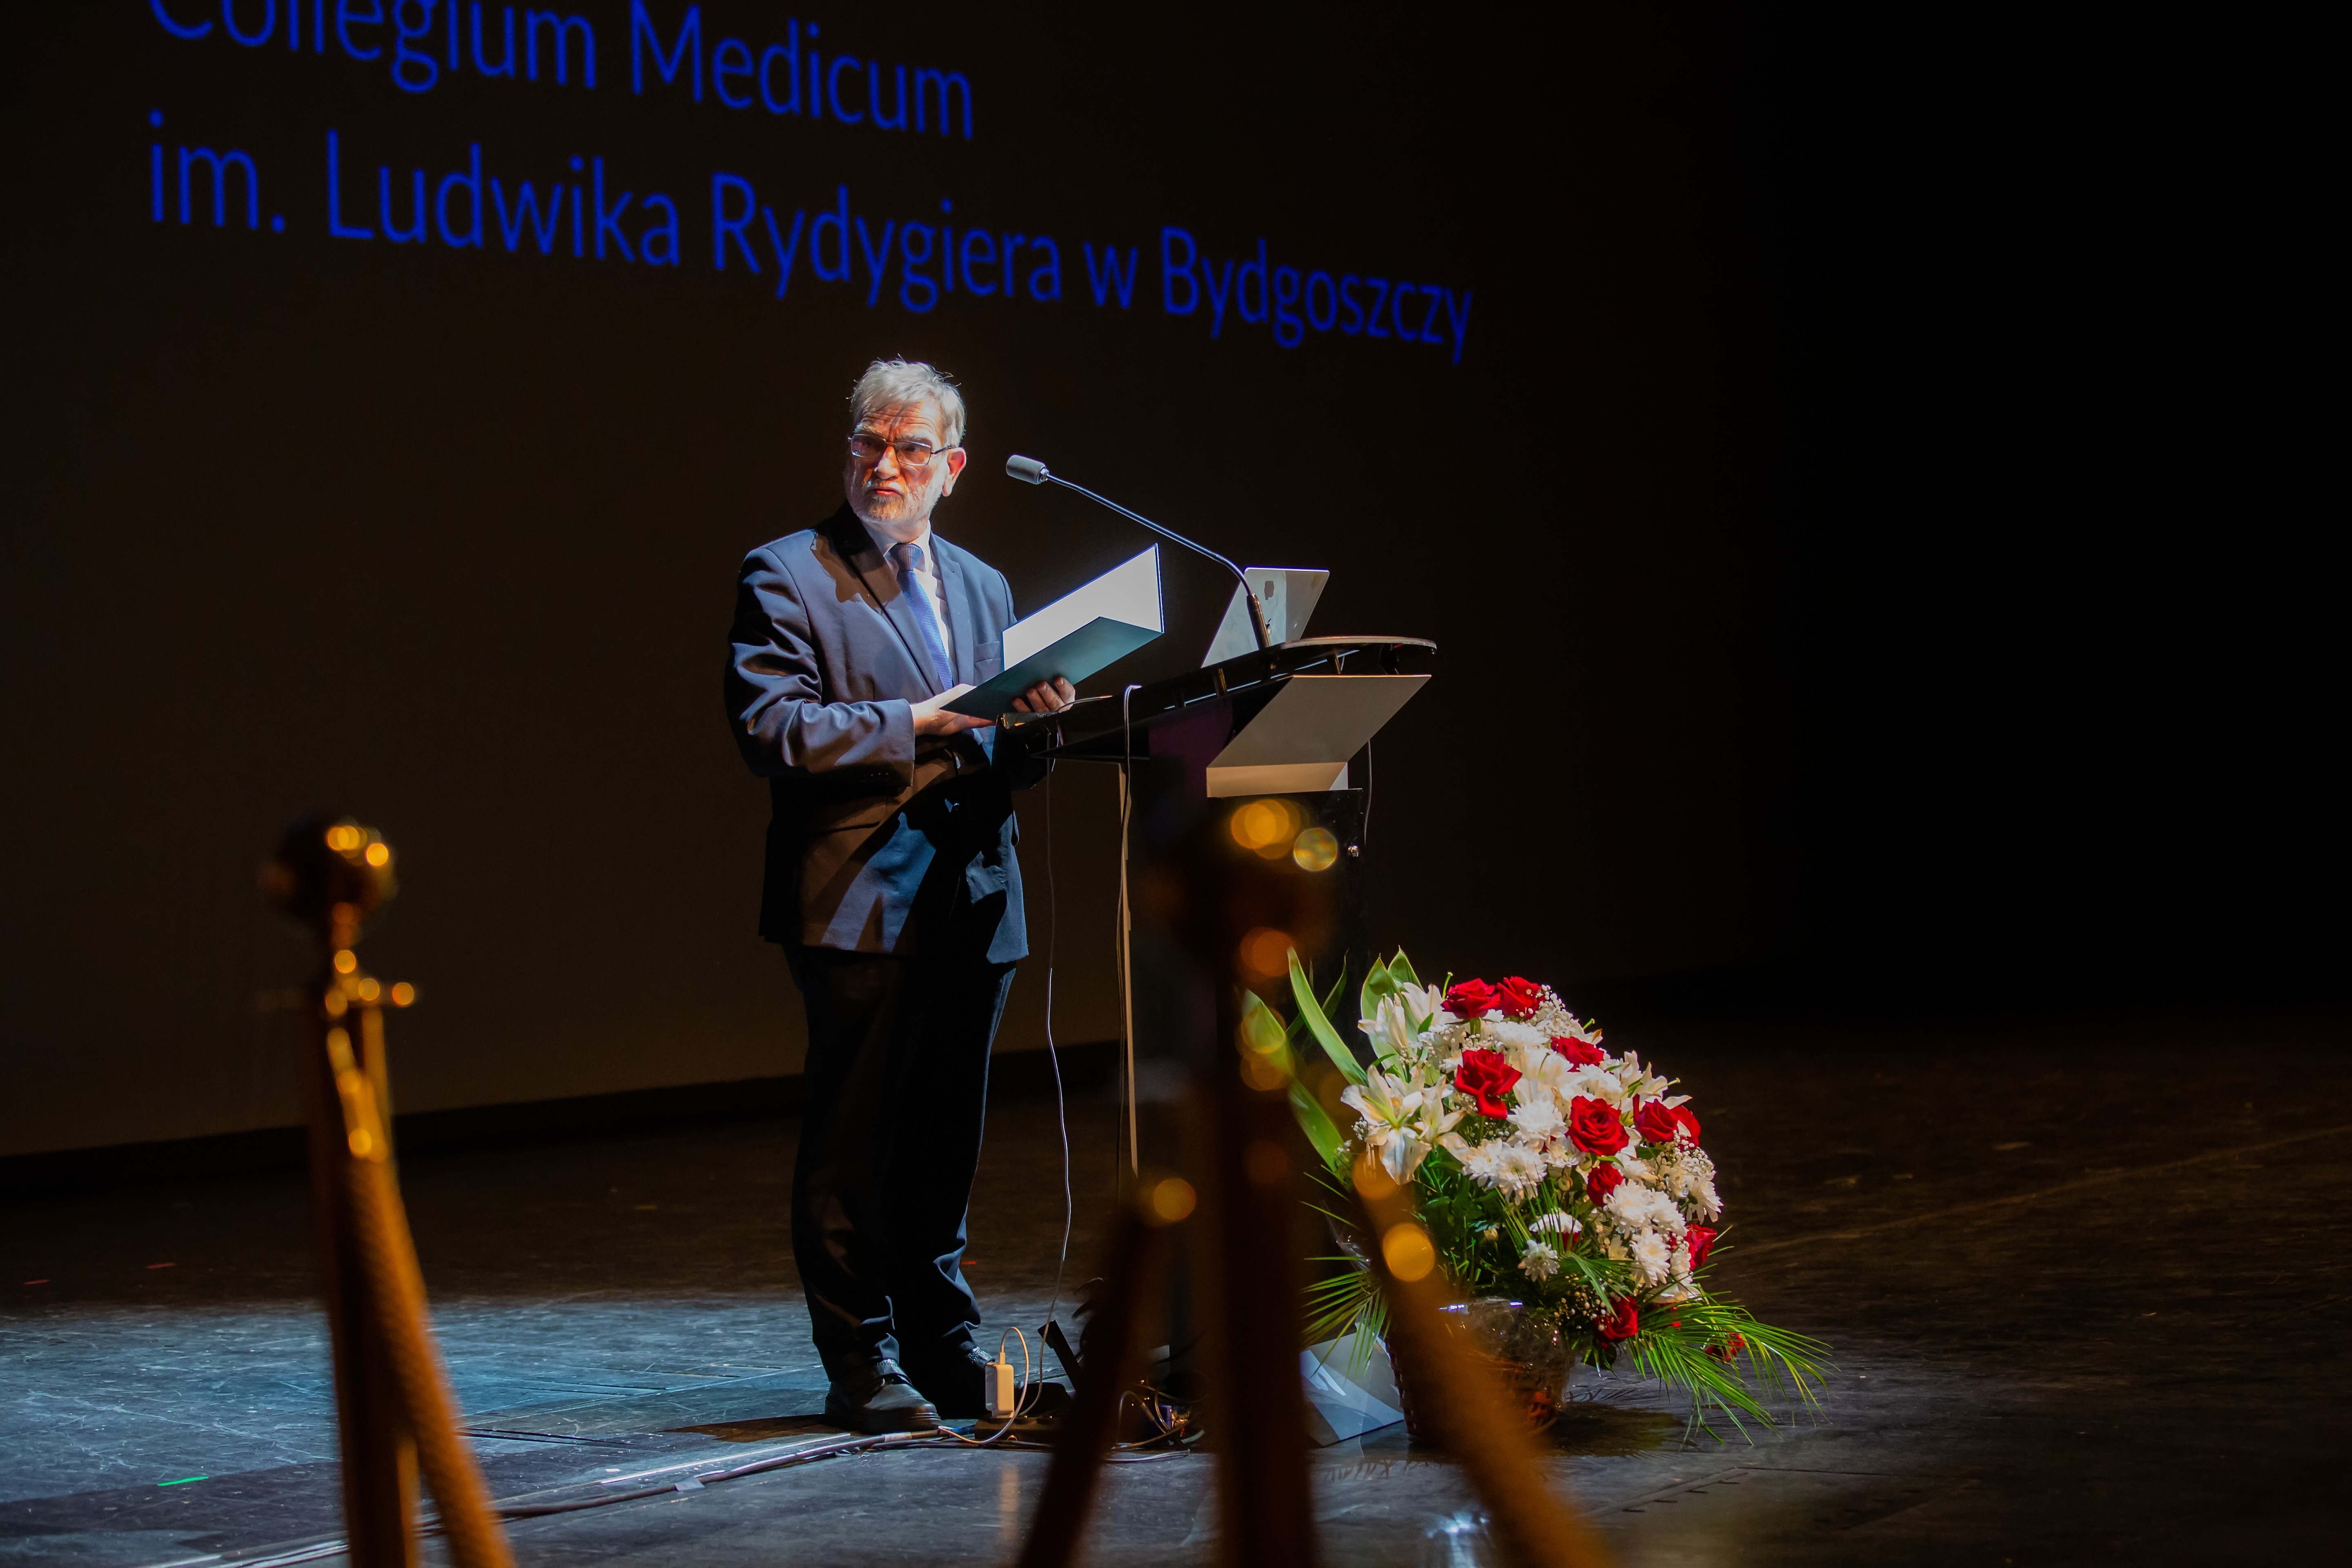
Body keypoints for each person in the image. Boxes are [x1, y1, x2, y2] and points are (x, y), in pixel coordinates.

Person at [724, 359, 1075, 1433]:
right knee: (856, 1144)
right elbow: (773, 728)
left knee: (942, 1147)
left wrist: (1037, 725)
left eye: (911, 448)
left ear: (952, 468)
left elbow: (1002, 749)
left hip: (974, 896)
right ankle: (860, 1362)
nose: (886, 465)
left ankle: (943, 1349)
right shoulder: (790, 571)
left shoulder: (984, 585)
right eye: (869, 444)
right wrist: (921, 721)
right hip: (861, 893)